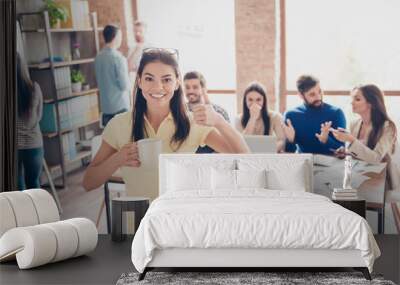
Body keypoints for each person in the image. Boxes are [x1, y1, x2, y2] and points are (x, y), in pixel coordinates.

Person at [83, 48, 249, 198]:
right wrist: (117, 159)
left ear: (177, 83)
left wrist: (219, 122)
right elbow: (89, 182)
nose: (158, 87)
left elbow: (246, 159)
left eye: (166, 79)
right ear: (139, 81)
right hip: (141, 221)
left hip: (180, 218)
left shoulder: (192, 123)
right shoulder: (119, 124)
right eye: (149, 79)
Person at [330, 84, 399, 189]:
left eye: (357, 99)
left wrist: (351, 140)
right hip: (359, 178)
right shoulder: (354, 124)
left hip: (382, 182)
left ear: (371, 103)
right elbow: (358, 154)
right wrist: (345, 152)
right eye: (352, 98)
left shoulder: (387, 127)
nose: (351, 102)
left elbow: (375, 159)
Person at [283, 75, 346, 155]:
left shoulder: (336, 113)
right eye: (312, 94)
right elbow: (288, 154)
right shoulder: (290, 115)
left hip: (330, 165)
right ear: (301, 95)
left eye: (320, 92)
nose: (318, 97)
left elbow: (342, 152)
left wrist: (326, 140)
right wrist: (290, 140)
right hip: (303, 163)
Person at [183, 71, 230, 153]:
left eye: (195, 87)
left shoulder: (220, 112)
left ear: (203, 89)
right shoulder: (180, 112)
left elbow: (228, 141)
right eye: (187, 87)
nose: (191, 91)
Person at [16, 54, 44, 190]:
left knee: (17, 187)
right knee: (33, 184)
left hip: (14, 146)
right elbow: (39, 116)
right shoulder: (34, 88)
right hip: (34, 144)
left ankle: (20, 212)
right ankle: (36, 212)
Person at [95, 24, 131, 127]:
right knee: (124, 140)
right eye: (120, 36)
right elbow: (124, 86)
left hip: (105, 108)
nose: (121, 39)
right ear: (115, 37)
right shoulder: (118, 58)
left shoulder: (98, 57)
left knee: (111, 140)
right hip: (120, 108)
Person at [235, 82, 286, 152]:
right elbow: (240, 143)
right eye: (250, 100)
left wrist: (267, 152)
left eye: (258, 100)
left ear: (264, 101)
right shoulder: (238, 119)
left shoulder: (275, 116)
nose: (254, 103)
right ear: (245, 101)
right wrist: (252, 118)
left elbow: (281, 141)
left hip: (268, 155)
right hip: (247, 155)